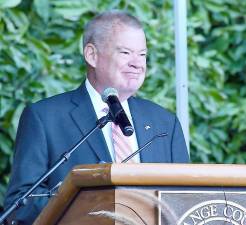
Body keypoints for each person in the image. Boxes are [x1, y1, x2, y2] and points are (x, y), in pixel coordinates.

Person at [3, 10, 189, 224]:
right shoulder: (45, 118)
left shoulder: (165, 123)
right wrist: (95, 209)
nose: (138, 63)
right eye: (125, 52)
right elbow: (21, 205)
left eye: (143, 54)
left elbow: (184, 198)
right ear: (92, 55)